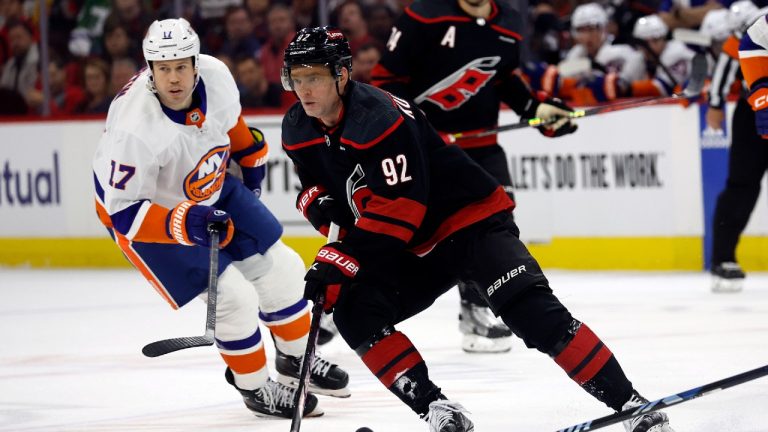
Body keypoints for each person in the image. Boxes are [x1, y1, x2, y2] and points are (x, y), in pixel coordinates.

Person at [281, 26, 676, 432]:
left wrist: (344, 256)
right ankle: (438, 410)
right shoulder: (297, 126)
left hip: (468, 219)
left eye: (315, 76)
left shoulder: (377, 117)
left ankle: (632, 405)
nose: (305, 88)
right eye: (297, 77)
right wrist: (325, 211)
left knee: (533, 314)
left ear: (342, 74)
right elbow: (313, 186)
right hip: (415, 247)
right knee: (353, 309)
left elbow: (401, 213)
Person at [91, 18, 350, 420]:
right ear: (150, 70)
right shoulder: (134, 129)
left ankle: (296, 361)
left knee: (283, 269)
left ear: (195, 63)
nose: (174, 78)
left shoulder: (215, 74)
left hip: (208, 183)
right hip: (148, 216)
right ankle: (254, 388)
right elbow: (122, 213)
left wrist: (249, 158)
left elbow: (231, 126)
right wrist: (185, 221)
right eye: (163, 68)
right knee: (233, 298)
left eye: (181, 66)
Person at [370, 0, 580, 353]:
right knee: (405, 232)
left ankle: (477, 310)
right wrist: (419, 133)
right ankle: (350, 304)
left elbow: (504, 78)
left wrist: (536, 108)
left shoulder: (510, 22)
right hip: (427, 150)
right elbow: (386, 82)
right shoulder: (424, 14)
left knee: (495, 225)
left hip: (482, 146)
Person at [709, 8, 768, 292]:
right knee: (742, 184)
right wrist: (716, 102)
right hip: (756, 110)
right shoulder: (757, 19)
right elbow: (737, 51)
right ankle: (723, 258)